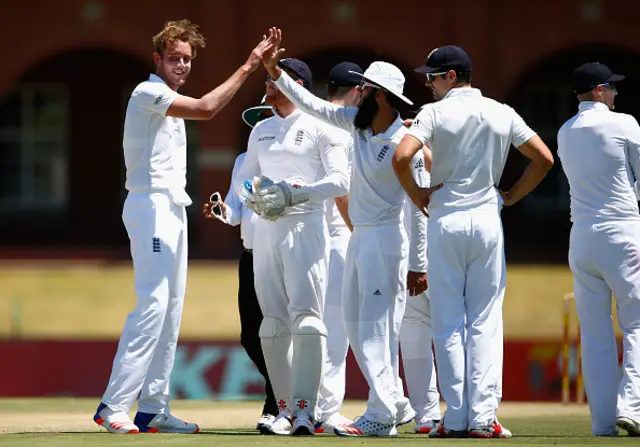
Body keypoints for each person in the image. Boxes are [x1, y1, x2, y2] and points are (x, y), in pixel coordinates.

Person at [92, 19, 275, 434]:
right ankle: (114, 404)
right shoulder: (147, 92)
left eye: (187, 59)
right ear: (157, 59)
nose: (181, 65)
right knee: (154, 302)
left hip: (173, 208)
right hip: (150, 205)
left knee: (172, 310)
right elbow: (208, 109)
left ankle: (154, 407)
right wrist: (249, 66)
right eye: (173, 58)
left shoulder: (168, 100)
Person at [258, 28, 430, 437]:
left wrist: (419, 265)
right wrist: (273, 72)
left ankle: (383, 411)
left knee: (376, 328)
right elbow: (311, 103)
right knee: (356, 326)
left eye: (367, 89)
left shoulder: (405, 140)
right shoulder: (357, 123)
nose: (360, 93)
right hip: (360, 239)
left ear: (382, 95)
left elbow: (420, 209)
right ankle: (390, 409)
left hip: (387, 240)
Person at [393, 45, 554, 438]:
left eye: (433, 76)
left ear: (452, 77)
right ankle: (483, 418)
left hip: (445, 218)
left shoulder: (434, 112)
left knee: (448, 321)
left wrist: (417, 193)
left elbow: (402, 156)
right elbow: (544, 158)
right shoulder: (501, 111)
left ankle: (457, 417)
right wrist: (512, 196)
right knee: (483, 319)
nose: (428, 83)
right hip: (486, 218)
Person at [233, 56, 350, 436]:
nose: (268, 84)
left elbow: (340, 181)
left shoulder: (321, 127)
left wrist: (294, 194)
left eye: (275, 78)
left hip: (306, 226)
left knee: (308, 319)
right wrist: (254, 197)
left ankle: (305, 410)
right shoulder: (262, 130)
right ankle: (283, 411)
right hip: (268, 228)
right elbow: (245, 178)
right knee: (271, 324)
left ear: (296, 84)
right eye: (268, 78)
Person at [557, 62, 640, 437]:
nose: (616, 95)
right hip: (622, 232)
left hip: (582, 237)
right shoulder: (625, 123)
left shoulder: (564, 131)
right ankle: (633, 407)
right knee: (636, 323)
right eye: (612, 89)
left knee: (594, 334)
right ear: (599, 90)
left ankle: (603, 422)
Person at [202, 97, 276, 431]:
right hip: (250, 256)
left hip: (280, 255)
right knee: (250, 336)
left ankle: (277, 401)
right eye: (257, 121)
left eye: (267, 118)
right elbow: (235, 211)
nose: (260, 126)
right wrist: (221, 209)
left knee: (280, 331)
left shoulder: (288, 162)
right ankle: (282, 393)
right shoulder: (243, 160)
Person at [313, 61, 363, 434]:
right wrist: (357, 229)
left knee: (315, 328)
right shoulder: (345, 130)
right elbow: (343, 190)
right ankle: (326, 411)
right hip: (339, 239)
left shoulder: (313, 120)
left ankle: (307, 406)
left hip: (310, 240)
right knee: (336, 331)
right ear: (358, 91)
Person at [398, 112, 442, 434]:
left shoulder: (408, 150)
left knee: (448, 330)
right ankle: (426, 414)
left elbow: (419, 211)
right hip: (406, 258)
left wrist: (419, 265)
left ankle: (450, 411)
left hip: (426, 260)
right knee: (413, 333)